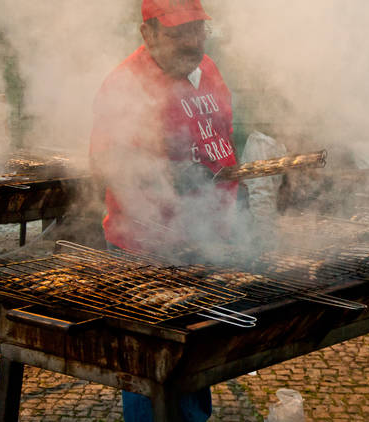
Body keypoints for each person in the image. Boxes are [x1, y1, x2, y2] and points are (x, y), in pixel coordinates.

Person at [89, 0, 237, 420]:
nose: (191, 41)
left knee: (197, 361)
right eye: (177, 32)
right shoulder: (124, 84)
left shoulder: (208, 69)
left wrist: (229, 202)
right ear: (148, 34)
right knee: (149, 369)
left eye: (197, 29)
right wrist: (165, 180)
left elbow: (223, 137)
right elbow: (106, 166)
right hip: (145, 249)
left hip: (208, 240)